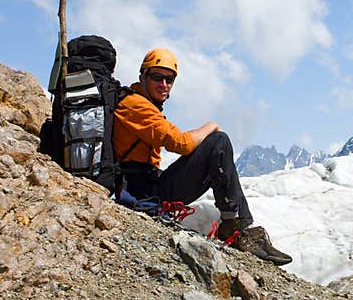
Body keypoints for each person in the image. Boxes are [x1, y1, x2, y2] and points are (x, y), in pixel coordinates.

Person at [111, 47, 292, 266]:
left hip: (147, 186)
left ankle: (238, 227)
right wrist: (211, 126)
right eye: (157, 77)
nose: (164, 84)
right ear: (143, 76)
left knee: (218, 151)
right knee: (219, 142)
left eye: (169, 79)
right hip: (142, 192)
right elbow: (181, 143)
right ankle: (235, 229)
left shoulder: (144, 104)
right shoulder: (135, 105)